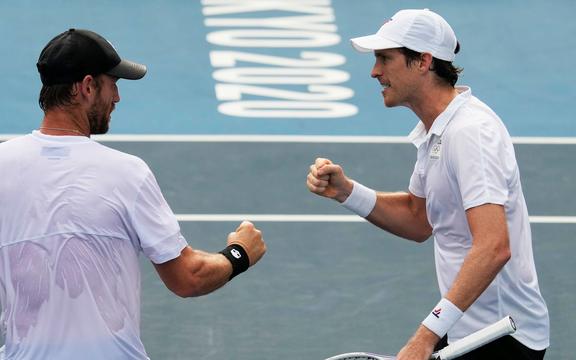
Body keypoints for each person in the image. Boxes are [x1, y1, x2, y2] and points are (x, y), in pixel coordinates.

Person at [0, 28, 266, 360]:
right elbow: (188, 278)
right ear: (86, 87)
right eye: (113, 85)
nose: (117, 98)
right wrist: (239, 254)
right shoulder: (126, 173)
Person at [306, 9, 549, 360]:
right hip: (467, 329)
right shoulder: (438, 131)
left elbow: (494, 246)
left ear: (423, 61)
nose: (375, 72)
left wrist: (426, 336)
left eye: (384, 59)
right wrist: (347, 192)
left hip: (503, 338)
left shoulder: (470, 134)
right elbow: (419, 218)